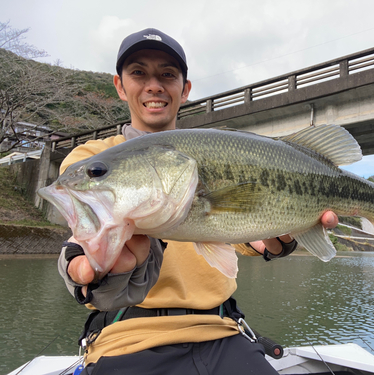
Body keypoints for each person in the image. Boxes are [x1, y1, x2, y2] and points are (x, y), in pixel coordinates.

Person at [58, 28, 339, 375]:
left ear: (185, 89)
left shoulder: (216, 155)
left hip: (222, 332)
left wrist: (280, 239)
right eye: (138, 73)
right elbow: (81, 241)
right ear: (119, 85)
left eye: (167, 74)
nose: (154, 85)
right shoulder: (92, 161)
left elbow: (244, 234)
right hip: (125, 336)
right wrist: (80, 265)